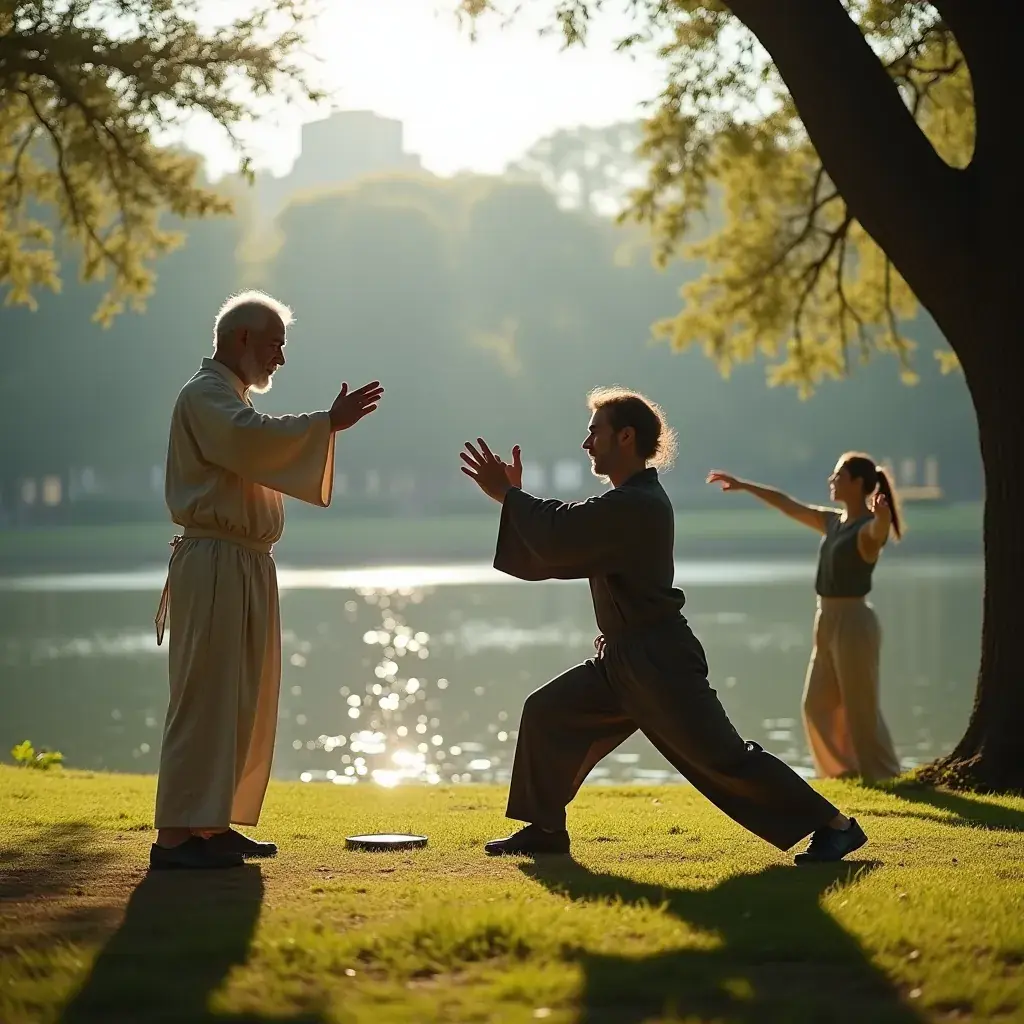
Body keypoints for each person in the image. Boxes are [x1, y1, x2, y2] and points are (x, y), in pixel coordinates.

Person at [459, 387, 867, 864]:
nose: (587, 444)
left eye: (595, 433)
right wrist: (515, 499)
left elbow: (564, 530)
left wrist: (509, 495)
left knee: (725, 758)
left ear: (625, 437)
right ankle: (546, 827)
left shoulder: (639, 504)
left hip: (659, 661)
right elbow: (565, 532)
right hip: (621, 661)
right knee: (548, 712)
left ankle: (836, 826)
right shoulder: (624, 502)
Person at [150, 290, 384, 870]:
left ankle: (211, 825)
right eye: (275, 344)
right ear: (241, 339)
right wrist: (326, 423)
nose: (280, 359)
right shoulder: (205, 395)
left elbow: (255, 439)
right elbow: (249, 442)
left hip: (245, 561)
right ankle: (175, 840)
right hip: (216, 561)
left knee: (240, 694)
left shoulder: (228, 397)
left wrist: (322, 427)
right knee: (206, 694)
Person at [706, 454, 903, 782]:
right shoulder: (832, 522)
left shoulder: (867, 527)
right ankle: (843, 772)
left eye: (839, 475)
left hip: (854, 621)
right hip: (825, 620)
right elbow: (788, 504)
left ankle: (882, 774)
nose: (832, 479)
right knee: (816, 704)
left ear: (856, 484)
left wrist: (883, 518)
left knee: (861, 707)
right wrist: (744, 486)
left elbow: (877, 534)